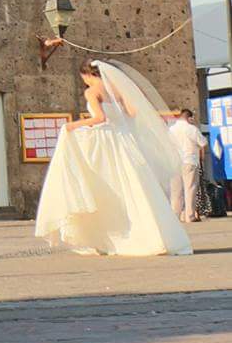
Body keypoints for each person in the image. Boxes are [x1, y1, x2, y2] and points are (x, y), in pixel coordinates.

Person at [35, 58, 190, 258]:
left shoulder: (91, 92)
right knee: (138, 188)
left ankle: (113, 237)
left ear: (88, 74)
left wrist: (74, 126)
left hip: (107, 143)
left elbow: (100, 118)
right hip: (125, 142)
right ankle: (157, 236)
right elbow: (133, 113)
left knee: (107, 188)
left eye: (84, 77)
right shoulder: (117, 90)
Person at [167, 108, 208, 226]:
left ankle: (175, 215)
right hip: (189, 160)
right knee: (190, 188)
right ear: (189, 118)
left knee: (176, 191)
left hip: (174, 162)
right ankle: (190, 216)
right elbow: (203, 143)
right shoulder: (192, 129)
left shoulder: (171, 129)